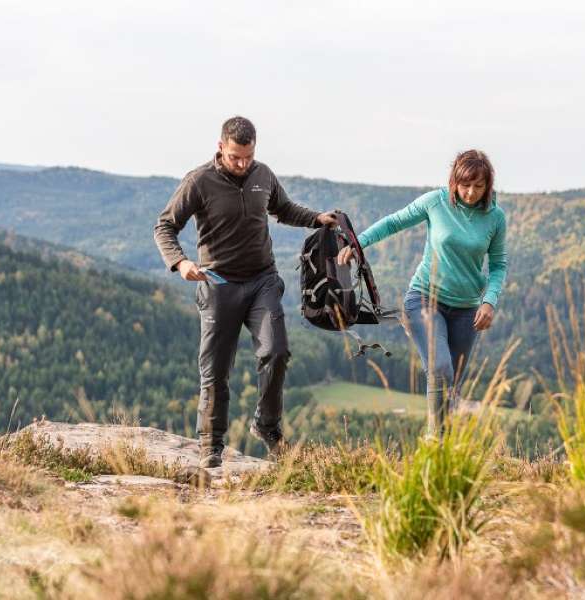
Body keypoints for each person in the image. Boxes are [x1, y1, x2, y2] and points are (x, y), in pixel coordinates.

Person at [154, 116, 337, 467]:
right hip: (218, 283)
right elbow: (165, 226)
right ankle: (211, 444)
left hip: (261, 281)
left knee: (276, 351)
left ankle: (266, 425)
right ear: (220, 147)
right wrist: (180, 262)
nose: (242, 164)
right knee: (216, 368)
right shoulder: (198, 181)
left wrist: (317, 219)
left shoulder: (263, 175)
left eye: (248, 157)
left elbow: (283, 209)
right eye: (235, 157)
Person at [338, 150, 508, 437]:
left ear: (488, 185)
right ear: (454, 181)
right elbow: (393, 222)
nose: (470, 192)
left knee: (451, 384)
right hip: (425, 299)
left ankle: (444, 449)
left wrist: (489, 301)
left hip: (467, 310)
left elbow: (499, 265)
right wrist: (358, 244)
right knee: (440, 369)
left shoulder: (495, 218)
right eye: (465, 185)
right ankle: (435, 441)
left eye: (478, 186)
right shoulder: (435, 202)